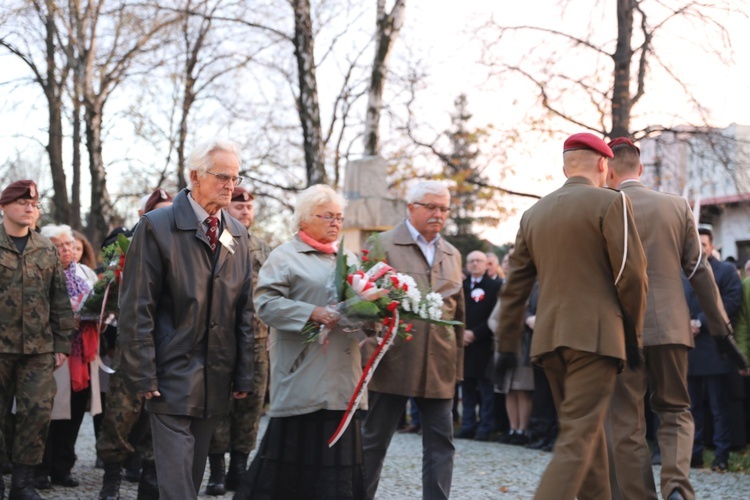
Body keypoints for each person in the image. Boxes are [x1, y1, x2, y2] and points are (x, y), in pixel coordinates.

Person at [495, 133, 648, 499]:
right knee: (578, 439)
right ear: (602, 164)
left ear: (565, 167)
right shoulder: (611, 202)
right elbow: (632, 275)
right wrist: (633, 334)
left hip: (548, 342)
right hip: (596, 339)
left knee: (587, 441)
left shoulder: (533, 214)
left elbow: (514, 289)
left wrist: (506, 347)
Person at [118, 139, 255, 500]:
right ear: (195, 176)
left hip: (216, 373)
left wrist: (243, 371)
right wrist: (143, 370)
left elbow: (244, 309)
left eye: (235, 178)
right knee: (178, 485)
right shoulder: (155, 226)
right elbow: (137, 306)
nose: (231, 186)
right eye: (223, 177)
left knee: (190, 479)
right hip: (170, 371)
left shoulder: (238, 234)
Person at [604, 137, 735, 500]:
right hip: (672, 327)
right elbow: (699, 271)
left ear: (607, 169)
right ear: (641, 168)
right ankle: (677, 487)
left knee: (626, 420)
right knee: (676, 410)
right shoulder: (676, 207)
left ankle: (637, 495)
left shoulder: (602, 207)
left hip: (619, 332)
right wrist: (722, 329)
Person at [235, 184, 366, 499]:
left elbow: (360, 308)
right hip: (303, 373)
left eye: (339, 217)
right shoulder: (285, 256)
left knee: (339, 467)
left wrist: (375, 315)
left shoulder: (348, 258)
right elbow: (266, 304)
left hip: (343, 377)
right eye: (327, 216)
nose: (336, 222)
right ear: (305, 219)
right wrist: (312, 313)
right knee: (294, 462)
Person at [361, 180, 465, 500]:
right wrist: (369, 352)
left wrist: (457, 368)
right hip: (392, 360)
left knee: (441, 444)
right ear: (411, 208)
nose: (438, 214)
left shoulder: (452, 254)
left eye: (444, 209)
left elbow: (458, 314)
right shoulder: (383, 244)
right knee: (374, 440)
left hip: (439, 365)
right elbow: (364, 305)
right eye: (431, 207)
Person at [0, 180, 75, 498]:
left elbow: (60, 298)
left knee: (37, 413)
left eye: (34, 204)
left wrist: (61, 344)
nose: (30, 208)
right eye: (22, 202)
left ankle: (23, 482)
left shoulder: (45, 247)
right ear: (4, 206)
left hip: (38, 348)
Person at [96, 191, 173, 500]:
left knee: (162, 414)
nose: (166, 217)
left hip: (169, 346)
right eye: (159, 211)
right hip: (133, 344)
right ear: (146, 215)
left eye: (170, 211)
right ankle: (111, 479)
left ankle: (151, 480)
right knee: (120, 415)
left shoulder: (186, 245)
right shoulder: (126, 246)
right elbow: (105, 293)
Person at [205, 185, 271, 495]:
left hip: (257, 338)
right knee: (219, 404)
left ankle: (239, 468)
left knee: (252, 405)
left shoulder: (263, 248)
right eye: (238, 206)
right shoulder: (218, 242)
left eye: (249, 207)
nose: (245, 211)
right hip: (221, 338)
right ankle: (216, 470)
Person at [35, 224, 102, 490]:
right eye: (59, 245)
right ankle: (41, 468)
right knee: (49, 414)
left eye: (69, 244)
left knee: (74, 413)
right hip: (55, 354)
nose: (67, 249)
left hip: (83, 354)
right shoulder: (42, 272)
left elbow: (101, 304)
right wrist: (63, 321)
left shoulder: (86, 272)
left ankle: (63, 467)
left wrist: (98, 318)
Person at [685, 228, 743, 472]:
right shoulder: (682, 272)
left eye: (704, 243)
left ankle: (721, 457)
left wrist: (700, 321)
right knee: (692, 408)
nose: (699, 247)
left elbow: (731, 303)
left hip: (716, 350)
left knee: (719, 407)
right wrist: (685, 322)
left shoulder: (725, 271)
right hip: (690, 351)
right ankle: (695, 456)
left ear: (711, 246)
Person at [456, 251, 499, 441]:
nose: (475, 264)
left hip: (484, 344)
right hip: (463, 345)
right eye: (471, 261)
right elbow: (455, 312)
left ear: (486, 264)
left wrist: (475, 333)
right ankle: (468, 425)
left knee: (486, 390)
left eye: (479, 261)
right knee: (466, 390)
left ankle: (485, 427)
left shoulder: (495, 286)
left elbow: (495, 315)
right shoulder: (461, 287)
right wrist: (462, 333)